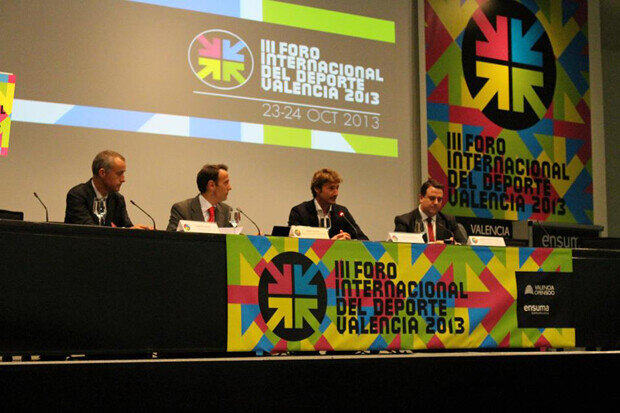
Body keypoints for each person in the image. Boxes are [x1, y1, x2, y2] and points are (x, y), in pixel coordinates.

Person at [64, 150, 149, 229]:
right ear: (102, 173)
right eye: (119, 174)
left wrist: (135, 231)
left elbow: (126, 227)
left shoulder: (117, 199)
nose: (123, 179)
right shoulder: (77, 195)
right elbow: (89, 231)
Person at [288, 168, 368, 240]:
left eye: (337, 188)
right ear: (317, 189)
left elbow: (363, 239)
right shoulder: (300, 212)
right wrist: (330, 244)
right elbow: (294, 244)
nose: (336, 193)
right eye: (331, 188)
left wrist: (350, 241)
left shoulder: (342, 212)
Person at [394, 178, 467, 243]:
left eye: (439, 199)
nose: (436, 203)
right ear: (421, 198)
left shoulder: (448, 221)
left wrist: (454, 244)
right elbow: (399, 249)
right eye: (432, 198)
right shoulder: (404, 221)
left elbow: (464, 246)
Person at [166, 164, 233, 231]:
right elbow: (169, 238)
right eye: (226, 183)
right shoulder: (182, 210)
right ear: (211, 185)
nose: (230, 187)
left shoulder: (226, 211)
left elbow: (234, 236)